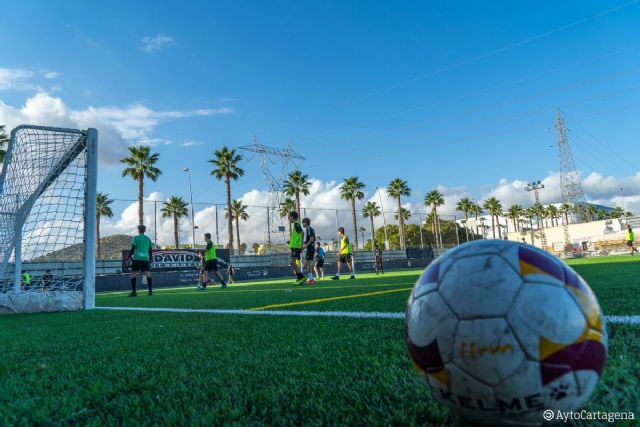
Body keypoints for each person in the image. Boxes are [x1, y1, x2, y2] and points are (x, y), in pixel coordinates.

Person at [127, 224, 153, 297]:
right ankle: (150, 291)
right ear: (145, 230)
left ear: (138, 230)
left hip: (137, 258)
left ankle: (134, 292)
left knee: (133, 274)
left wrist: (128, 257)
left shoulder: (136, 238)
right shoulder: (148, 239)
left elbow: (133, 248)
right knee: (148, 274)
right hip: (145, 259)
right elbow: (150, 251)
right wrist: (150, 259)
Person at [288, 211, 306, 285]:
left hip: (296, 247)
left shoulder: (296, 224)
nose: (289, 219)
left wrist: (301, 245)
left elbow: (302, 233)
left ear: (292, 217)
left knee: (292, 262)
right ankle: (299, 278)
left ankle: (301, 277)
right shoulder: (295, 225)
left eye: (289, 217)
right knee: (292, 263)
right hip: (294, 247)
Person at [302, 217, 316, 285]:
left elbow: (311, 239)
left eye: (303, 222)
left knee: (308, 263)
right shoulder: (310, 229)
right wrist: (304, 243)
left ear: (305, 223)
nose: (302, 224)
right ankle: (311, 278)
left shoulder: (309, 229)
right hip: (311, 248)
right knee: (308, 263)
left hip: (310, 248)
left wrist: (305, 246)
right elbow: (310, 240)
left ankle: (311, 279)